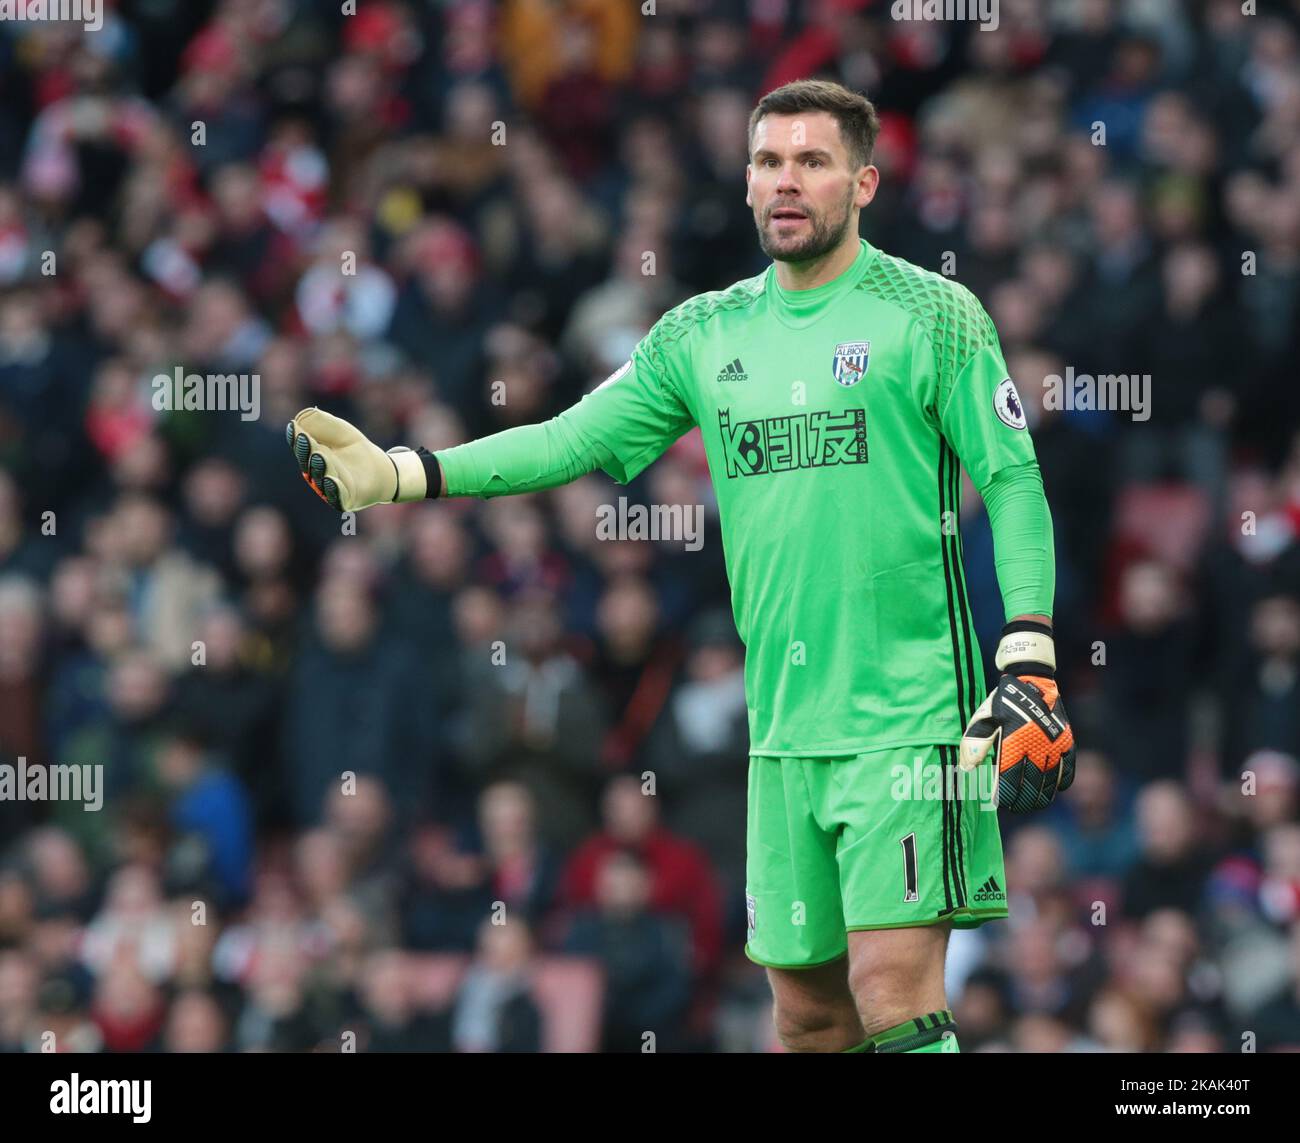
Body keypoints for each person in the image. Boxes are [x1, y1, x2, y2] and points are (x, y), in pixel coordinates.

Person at [284, 79, 1075, 1054]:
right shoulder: (702, 335)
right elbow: (567, 440)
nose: (785, 182)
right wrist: (403, 472)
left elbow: (1013, 480)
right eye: (767, 162)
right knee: (809, 1016)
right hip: (783, 732)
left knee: (891, 992)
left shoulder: (932, 315)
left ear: (863, 182)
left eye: (812, 162)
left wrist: (1027, 652)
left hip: (910, 721)